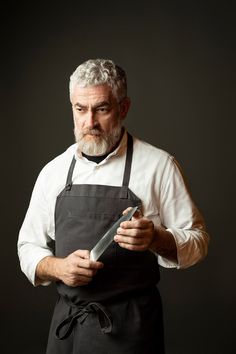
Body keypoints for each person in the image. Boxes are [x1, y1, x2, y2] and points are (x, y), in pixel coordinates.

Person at [17, 58, 209, 354]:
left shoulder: (158, 166)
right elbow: (28, 247)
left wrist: (157, 238)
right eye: (80, 109)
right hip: (67, 331)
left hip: (130, 331)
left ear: (123, 108)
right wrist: (59, 267)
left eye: (101, 109)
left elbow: (198, 242)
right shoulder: (53, 172)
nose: (89, 122)